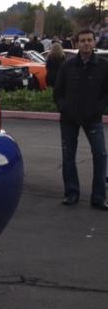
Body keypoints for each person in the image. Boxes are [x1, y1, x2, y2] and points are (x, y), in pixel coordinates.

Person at [53, 29, 108, 209]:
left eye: (89, 40)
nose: (86, 43)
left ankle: (98, 197)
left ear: (94, 42)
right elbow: (58, 92)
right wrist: (64, 108)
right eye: (83, 40)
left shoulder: (103, 66)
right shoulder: (67, 66)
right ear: (77, 44)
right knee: (68, 156)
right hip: (69, 119)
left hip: (93, 118)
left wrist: (98, 109)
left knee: (100, 155)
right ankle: (71, 193)